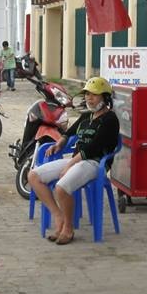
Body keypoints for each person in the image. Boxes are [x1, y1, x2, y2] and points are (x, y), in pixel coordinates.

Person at [28, 76, 119, 245]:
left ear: (105, 97)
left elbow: (93, 147)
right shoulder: (86, 117)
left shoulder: (110, 120)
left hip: (94, 164)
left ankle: (68, 229)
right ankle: (58, 216)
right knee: (33, 176)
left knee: (62, 187)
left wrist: (70, 165)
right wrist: (59, 143)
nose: (89, 98)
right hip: (77, 160)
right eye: (87, 95)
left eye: (94, 95)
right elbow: (69, 132)